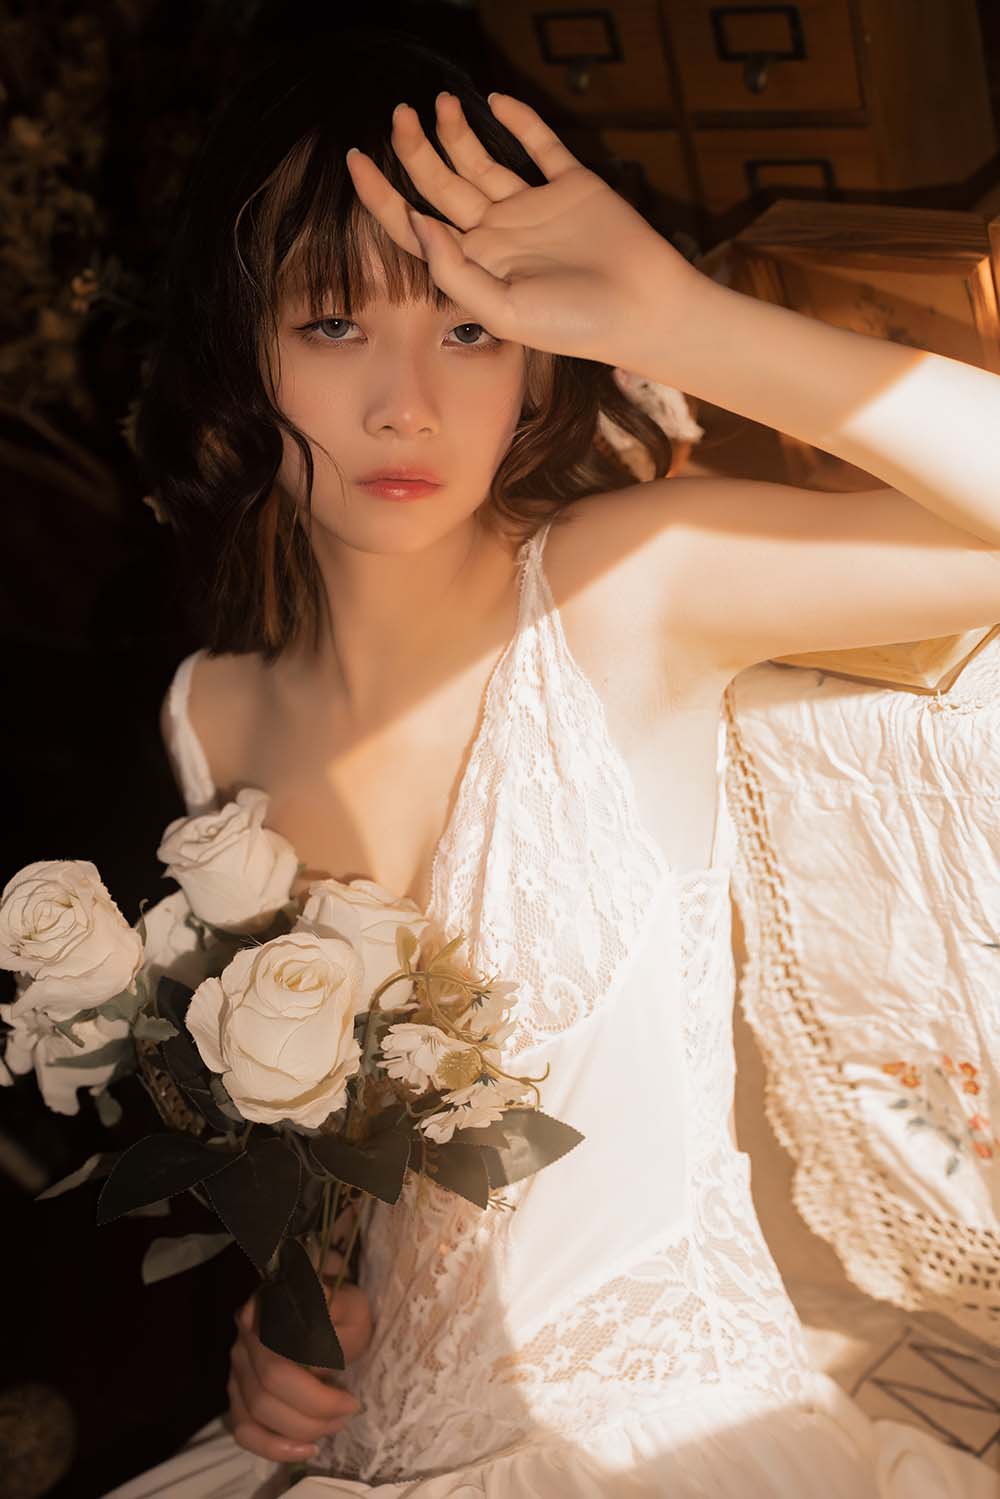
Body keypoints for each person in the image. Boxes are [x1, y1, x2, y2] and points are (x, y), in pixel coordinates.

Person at [106, 22, 1000, 1499]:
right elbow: (339, 1184)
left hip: (663, 1445)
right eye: (333, 325)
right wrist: (289, 1326)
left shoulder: (621, 593)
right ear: (243, 350)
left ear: (537, 364)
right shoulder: (209, 718)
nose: (406, 403)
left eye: (468, 328)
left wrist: (683, 321)